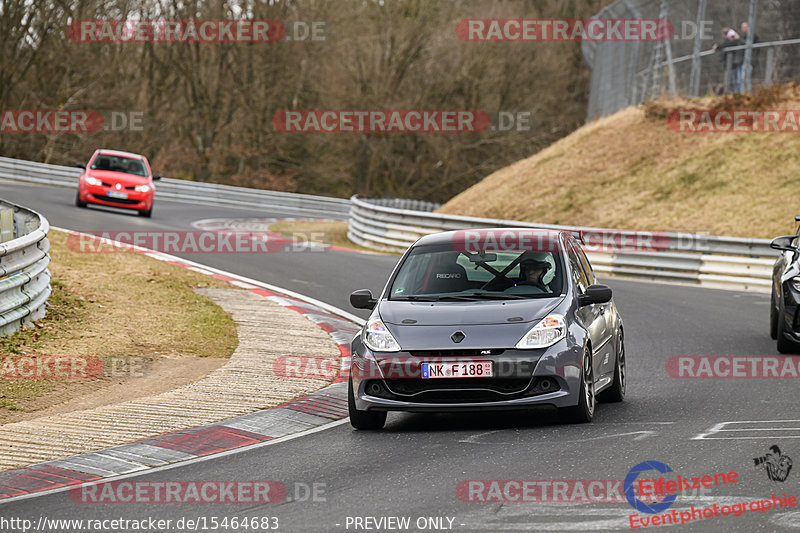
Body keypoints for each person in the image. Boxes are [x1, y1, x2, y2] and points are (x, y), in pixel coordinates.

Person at [712, 28, 744, 94]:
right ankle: (734, 93)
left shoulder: (736, 41)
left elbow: (728, 44)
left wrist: (718, 47)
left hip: (734, 64)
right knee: (731, 80)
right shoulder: (731, 42)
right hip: (730, 64)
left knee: (735, 80)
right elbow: (725, 44)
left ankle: (736, 93)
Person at [740, 22, 760, 92]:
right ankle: (744, 91)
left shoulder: (753, 36)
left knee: (747, 78)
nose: (742, 29)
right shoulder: (743, 36)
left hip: (751, 60)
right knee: (743, 78)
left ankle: (748, 92)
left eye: (744, 27)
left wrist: (738, 39)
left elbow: (749, 45)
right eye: (742, 27)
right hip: (744, 60)